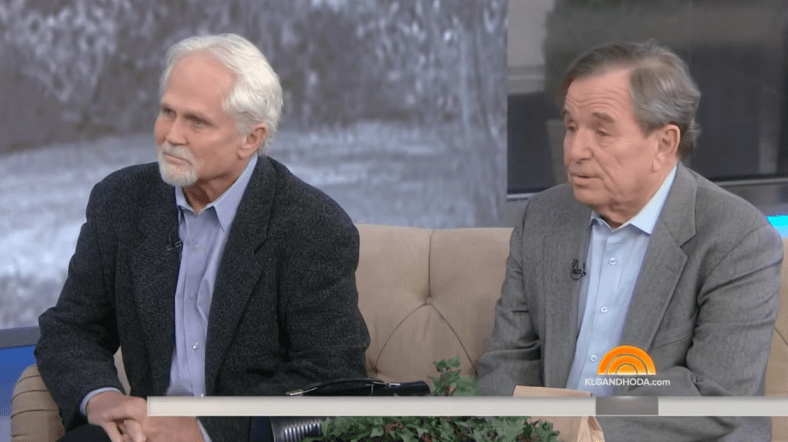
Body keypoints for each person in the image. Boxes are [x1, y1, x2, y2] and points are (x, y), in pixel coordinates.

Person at [35, 33, 370, 442]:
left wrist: (203, 429)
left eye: (197, 121)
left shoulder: (312, 226)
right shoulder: (120, 202)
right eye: (168, 112)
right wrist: (101, 398)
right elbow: (72, 329)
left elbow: (332, 375)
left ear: (250, 138)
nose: (171, 135)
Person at [477, 40, 783, 441]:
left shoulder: (738, 237)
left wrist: (577, 429)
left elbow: (712, 394)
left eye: (602, 132)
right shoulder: (544, 217)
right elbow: (509, 357)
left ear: (664, 144)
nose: (575, 151)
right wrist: (518, 432)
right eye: (571, 127)